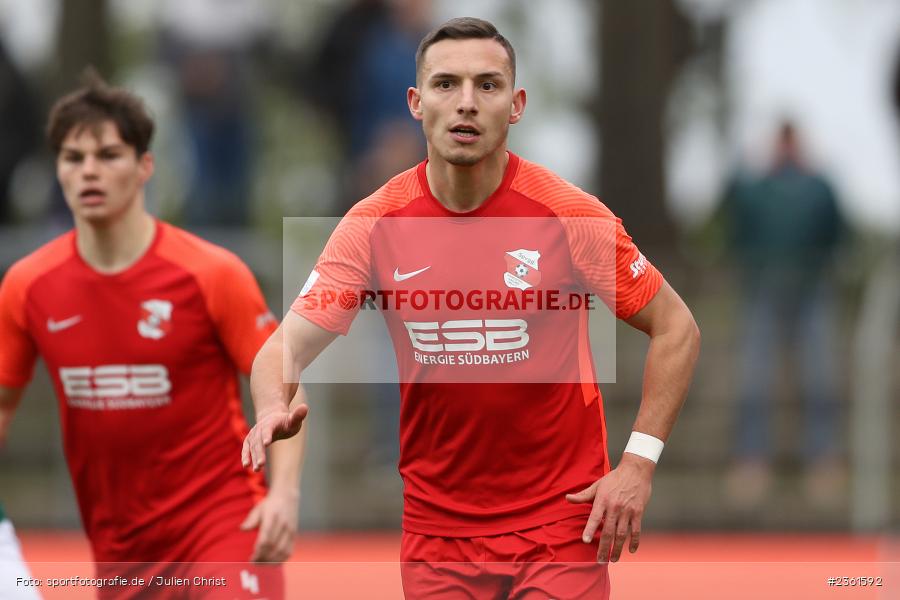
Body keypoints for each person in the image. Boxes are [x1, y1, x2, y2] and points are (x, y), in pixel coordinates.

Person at [243, 17, 700, 599]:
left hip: (559, 525)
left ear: (517, 104)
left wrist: (638, 463)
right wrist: (267, 408)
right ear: (415, 102)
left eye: (487, 85)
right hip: (438, 535)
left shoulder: (569, 214)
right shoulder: (372, 225)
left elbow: (676, 327)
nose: (466, 103)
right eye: (445, 84)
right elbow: (284, 346)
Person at [0, 73, 298, 599]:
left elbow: (285, 386)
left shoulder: (211, 273)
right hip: (121, 551)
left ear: (144, 168)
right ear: (58, 172)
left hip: (224, 528)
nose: (89, 170)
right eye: (73, 158)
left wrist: (284, 495)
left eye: (109, 155)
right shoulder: (28, 286)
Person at [722, 121, 845, 511]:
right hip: (764, 288)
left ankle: (823, 459)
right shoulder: (756, 188)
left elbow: (837, 233)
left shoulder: (819, 187)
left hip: (811, 290)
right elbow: (733, 223)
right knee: (755, 378)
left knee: (820, 376)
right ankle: (751, 459)